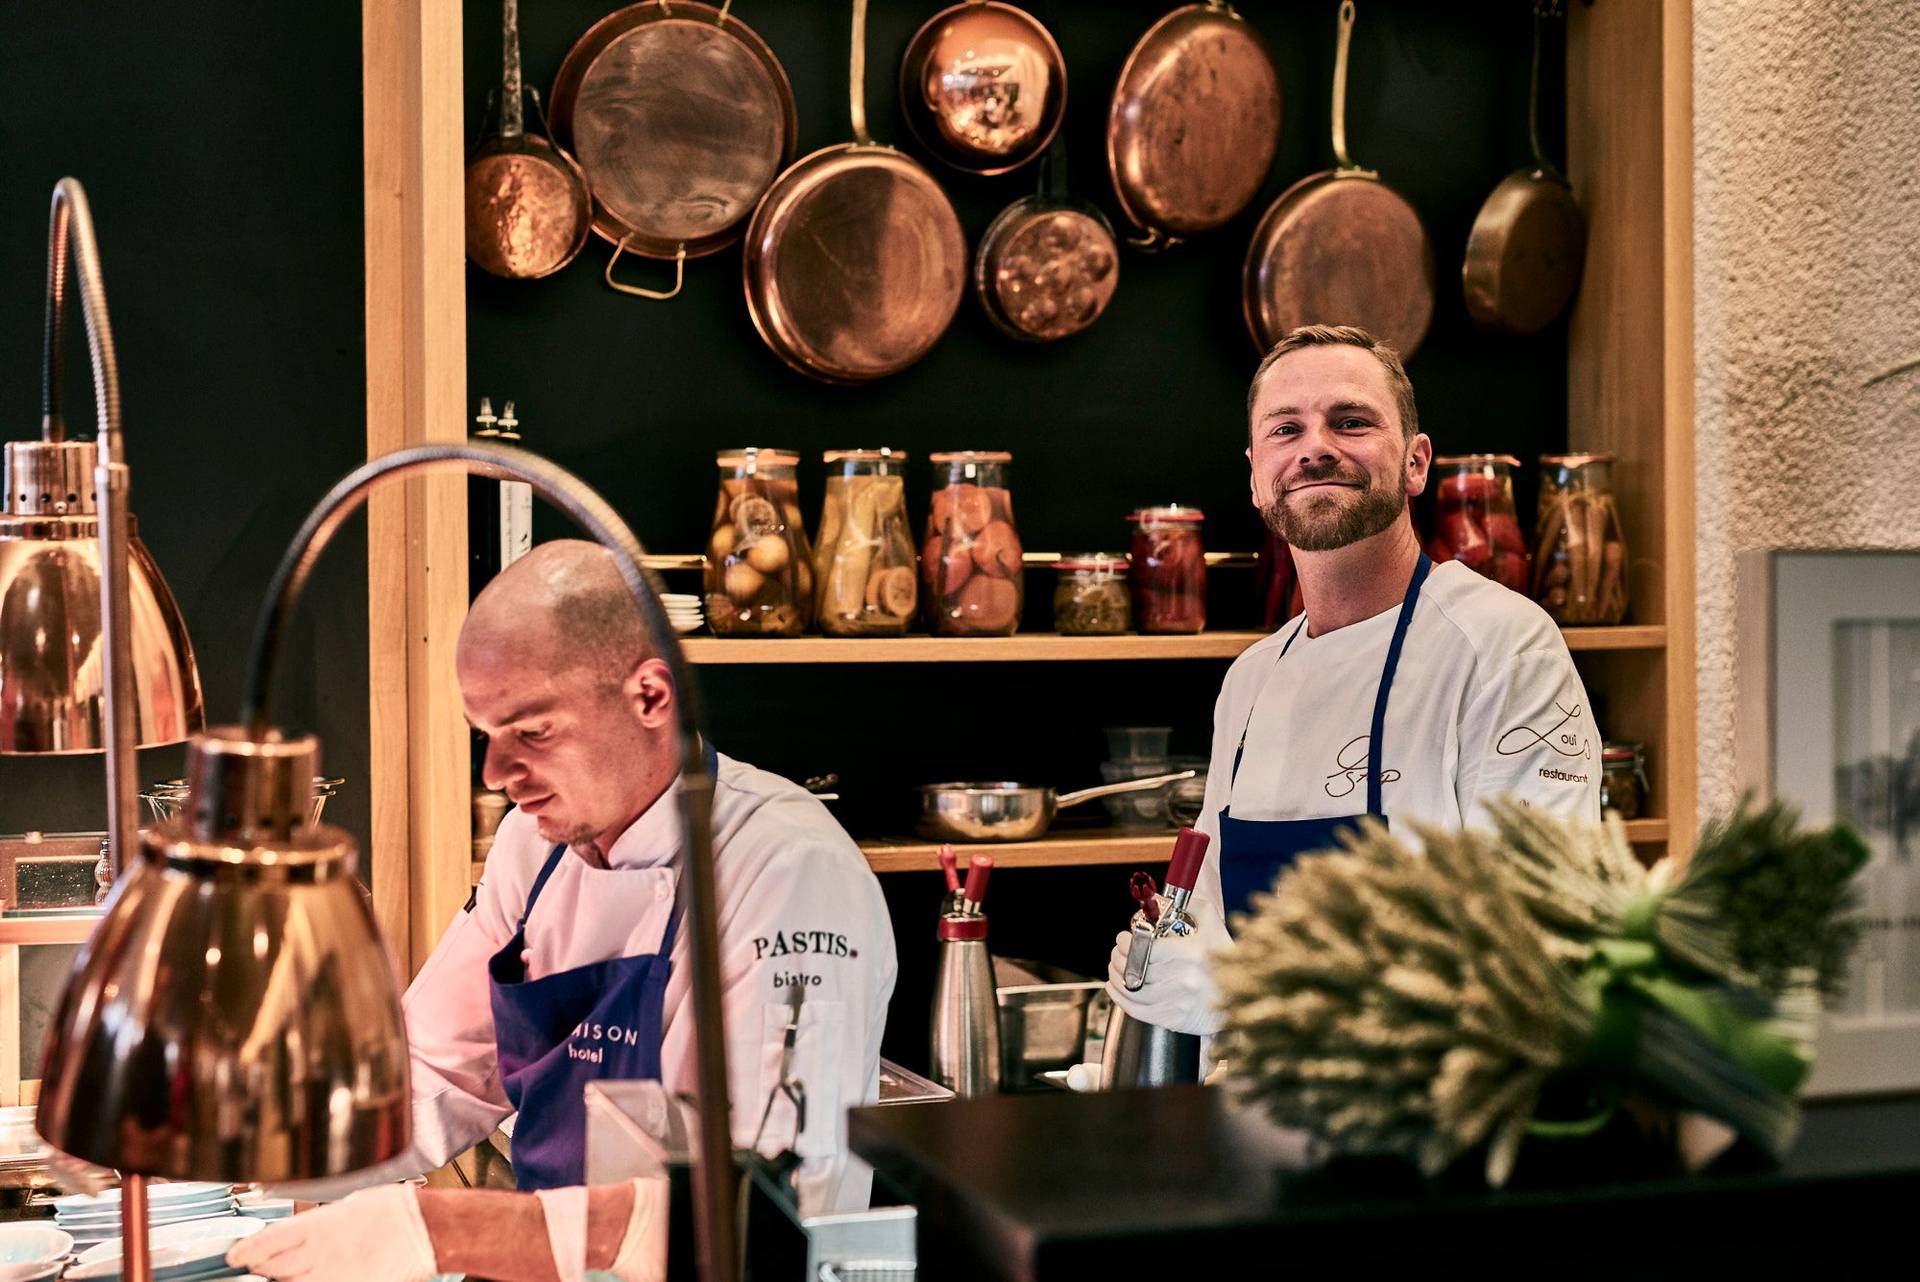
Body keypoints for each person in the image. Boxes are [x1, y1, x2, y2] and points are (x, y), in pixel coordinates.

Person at [234, 539, 895, 1280]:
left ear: (650, 695)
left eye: (533, 732)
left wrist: (442, 1228)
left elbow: (756, 1211)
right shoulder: (532, 844)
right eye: (485, 735)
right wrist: (248, 1152)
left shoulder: (790, 872)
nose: (495, 776)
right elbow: (430, 1066)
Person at [1109, 324, 1601, 1037]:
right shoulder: (1251, 681)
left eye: (1350, 422)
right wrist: (1170, 963)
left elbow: (1544, 946)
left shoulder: (1503, 649)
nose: (1315, 447)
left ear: (1415, 461)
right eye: (1287, 429)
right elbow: (1212, 920)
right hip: (1255, 1114)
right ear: (1255, 477)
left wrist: (1250, 990)